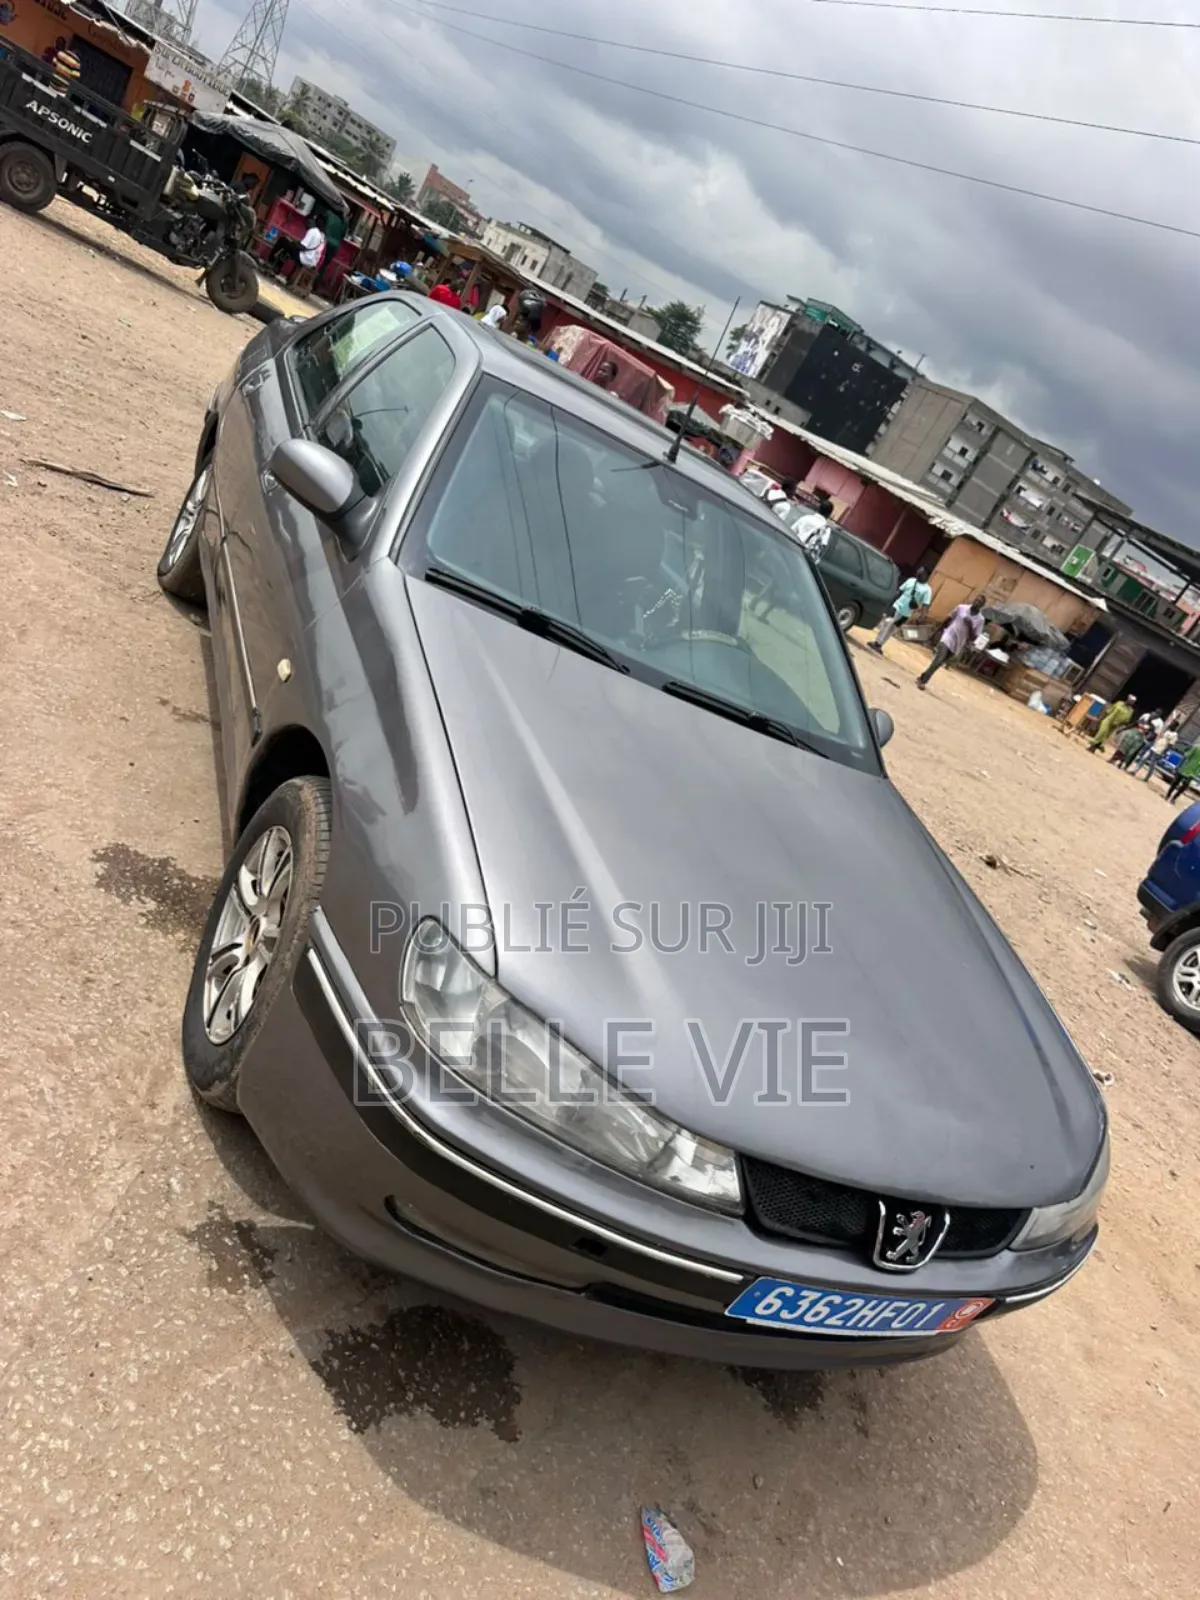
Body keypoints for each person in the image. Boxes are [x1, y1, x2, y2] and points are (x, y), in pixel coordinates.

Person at [916, 595, 987, 689]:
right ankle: (923, 681)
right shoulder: (962, 608)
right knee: (939, 659)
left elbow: (973, 638)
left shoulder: (980, 620)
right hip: (948, 636)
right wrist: (935, 633)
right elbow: (948, 620)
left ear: (982, 605)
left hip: (958, 643)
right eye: (976, 600)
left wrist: (970, 625)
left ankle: (923, 676)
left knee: (939, 663)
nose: (976, 602)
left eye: (979, 602)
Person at [870, 565, 932, 652]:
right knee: (888, 622)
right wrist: (890, 600)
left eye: (921, 572)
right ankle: (877, 642)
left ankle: (880, 645)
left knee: (892, 629)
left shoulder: (927, 590)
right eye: (918, 571)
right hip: (897, 606)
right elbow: (899, 592)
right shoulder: (911, 580)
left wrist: (922, 616)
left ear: (926, 575)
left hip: (907, 613)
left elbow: (926, 604)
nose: (918, 572)